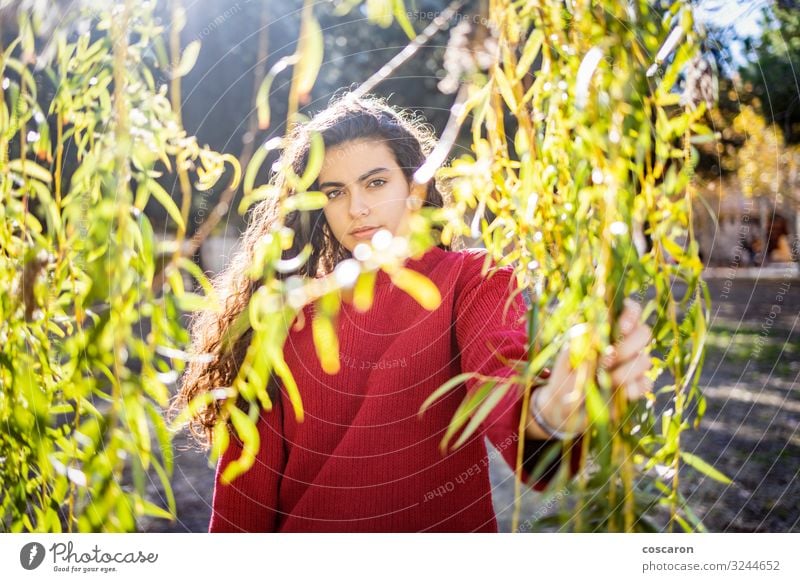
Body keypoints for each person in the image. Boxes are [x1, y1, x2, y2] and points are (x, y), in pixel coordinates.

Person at [174, 94, 654, 533]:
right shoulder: (285, 311)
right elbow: (244, 500)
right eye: (335, 192)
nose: (356, 208)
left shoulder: (470, 280)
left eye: (376, 182)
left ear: (415, 187)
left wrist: (557, 409)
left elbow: (504, 389)